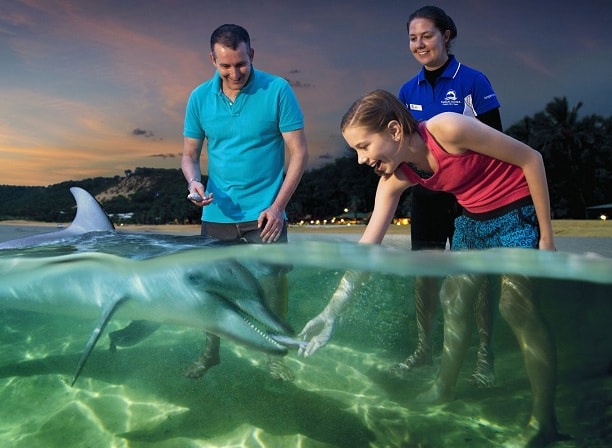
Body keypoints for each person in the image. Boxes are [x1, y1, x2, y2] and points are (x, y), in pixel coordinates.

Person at [298, 90, 565, 446]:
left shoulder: (448, 129)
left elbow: (531, 159)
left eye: (364, 146)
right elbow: (366, 249)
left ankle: (544, 419)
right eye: (356, 151)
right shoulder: (396, 177)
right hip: (472, 221)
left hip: (516, 211)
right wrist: (332, 311)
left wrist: (546, 238)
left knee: (514, 306)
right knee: (453, 299)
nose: (361, 160)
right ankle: (443, 389)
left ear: (394, 130)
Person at [180, 24, 309, 381]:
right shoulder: (199, 98)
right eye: (225, 66)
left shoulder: (278, 89)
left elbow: (298, 154)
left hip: (266, 214)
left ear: (252, 54)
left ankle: (276, 353)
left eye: (241, 64)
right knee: (213, 289)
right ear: (213, 60)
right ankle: (211, 352)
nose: (234, 73)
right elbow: (189, 155)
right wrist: (194, 181)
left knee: (271, 286)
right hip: (217, 213)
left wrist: (278, 206)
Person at [394, 5, 503, 388]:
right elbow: (403, 149)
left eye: (427, 35)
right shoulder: (407, 91)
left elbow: (498, 144)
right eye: (413, 37)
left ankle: (484, 357)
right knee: (424, 276)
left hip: (472, 197)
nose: (420, 44)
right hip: (428, 196)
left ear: (447, 35)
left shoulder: (474, 81)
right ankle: (425, 349)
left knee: (475, 279)